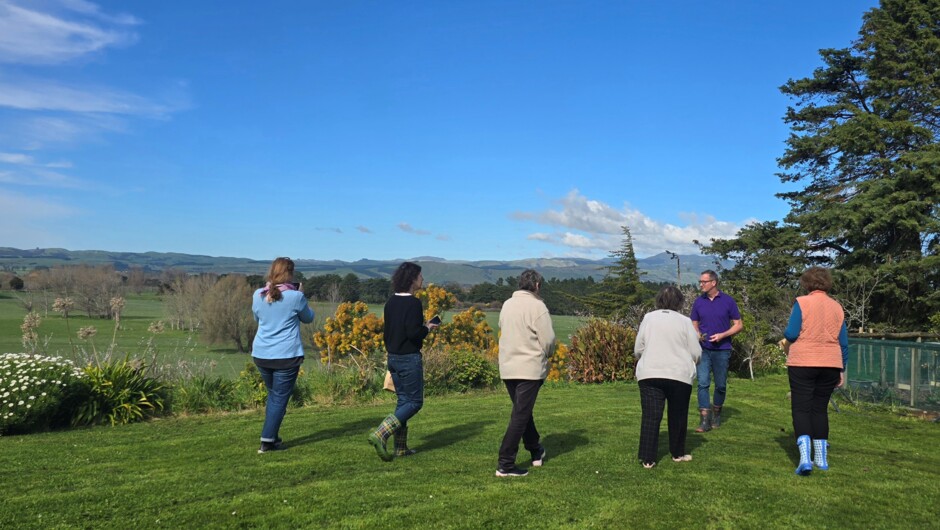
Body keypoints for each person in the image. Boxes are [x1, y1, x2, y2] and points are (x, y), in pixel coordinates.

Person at [781, 267, 848, 476]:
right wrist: (842, 369)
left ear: (806, 283)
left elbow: (791, 333)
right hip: (831, 362)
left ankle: (804, 459)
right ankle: (821, 458)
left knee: (801, 408)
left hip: (804, 361)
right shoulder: (837, 307)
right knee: (820, 409)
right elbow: (843, 342)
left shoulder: (802, 303)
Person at [368, 262, 438, 461]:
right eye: (420, 276)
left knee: (403, 402)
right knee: (415, 402)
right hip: (409, 358)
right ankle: (381, 433)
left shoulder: (390, 302)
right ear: (412, 280)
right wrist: (427, 328)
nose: (422, 279)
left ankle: (401, 448)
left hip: (393, 358)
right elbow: (413, 333)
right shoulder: (414, 303)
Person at [495, 269, 556, 477]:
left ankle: (535, 450)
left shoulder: (507, 304)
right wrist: (548, 355)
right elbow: (548, 340)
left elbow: (502, 327)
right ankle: (505, 463)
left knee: (523, 411)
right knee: (520, 416)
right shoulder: (538, 306)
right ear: (537, 286)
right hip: (529, 368)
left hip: (508, 366)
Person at [634, 286, 702, 468]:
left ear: (658, 301)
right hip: (679, 374)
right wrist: (694, 361)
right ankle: (677, 453)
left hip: (650, 373)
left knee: (651, 416)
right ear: (680, 302)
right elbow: (696, 351)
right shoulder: (685, 321)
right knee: (678, 415)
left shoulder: (649, 318)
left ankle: (648, 458)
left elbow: (638, 348)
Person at [251, 257, 314, 453]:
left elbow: (257, 317)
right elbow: (308, 318)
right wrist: (300, 294)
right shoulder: (295, 297)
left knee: (274, 397)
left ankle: (273, 437)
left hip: (261, 354)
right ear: (290, 274)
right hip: (286, 355)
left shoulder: (257, 295)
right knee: (278, 398)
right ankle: (267, 440)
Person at [690, 270, 742, 432]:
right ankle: (704, 420)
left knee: (720, 385)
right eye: (700, 281)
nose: (701, 284)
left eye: (704, 282)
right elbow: (694, 322)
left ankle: (717, 413)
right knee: (703, 383)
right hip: (704, 349)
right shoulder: (698, 302)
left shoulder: (728, 301)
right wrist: (697, 334)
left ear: (714, 283)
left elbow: (739, 324)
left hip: (722, 350)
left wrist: (723, 335)